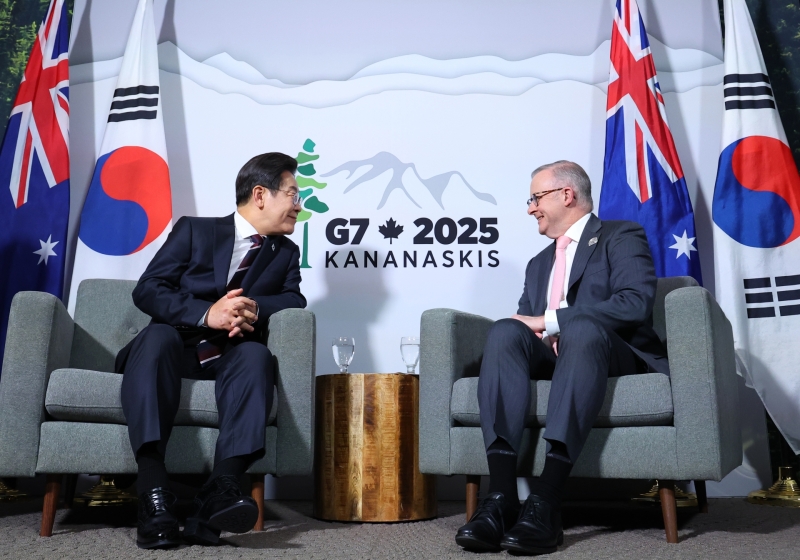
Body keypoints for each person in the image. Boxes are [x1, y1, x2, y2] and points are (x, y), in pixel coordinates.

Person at [455, 161, 668, 555]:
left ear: (566, 195)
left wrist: (550, 320)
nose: (530, 208)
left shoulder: (620, 236)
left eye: (535, 198)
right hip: (555, 360)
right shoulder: (539, 264)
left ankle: (547, 499)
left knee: (582, 328)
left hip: (609, 354)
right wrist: (529, 326)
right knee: (505, 330)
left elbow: (635, 302)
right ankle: (501, 499)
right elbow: (526, 327)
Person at [116, 152, 307, 549]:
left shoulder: (286, 252)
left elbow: (294, 299)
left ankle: (221, 488)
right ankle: (153, 494)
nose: (298, 205)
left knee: (257, 356)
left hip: (229, 355)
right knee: (157, 337)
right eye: (292, 194)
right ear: (260, 195)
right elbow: (149, 289)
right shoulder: (195, 230)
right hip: (172, 349)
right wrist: (208, 314)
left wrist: (251, 307)